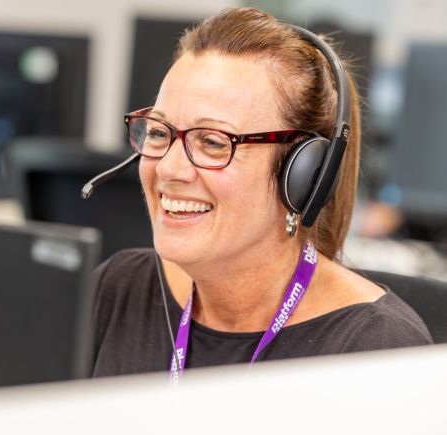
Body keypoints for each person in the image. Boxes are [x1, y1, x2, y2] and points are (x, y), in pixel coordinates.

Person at [90, 7, 432, 378]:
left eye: (212, 141)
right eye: (159, 132)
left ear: (302, 173)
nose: (169, 168)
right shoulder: (117, 289)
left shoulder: (377, 350)